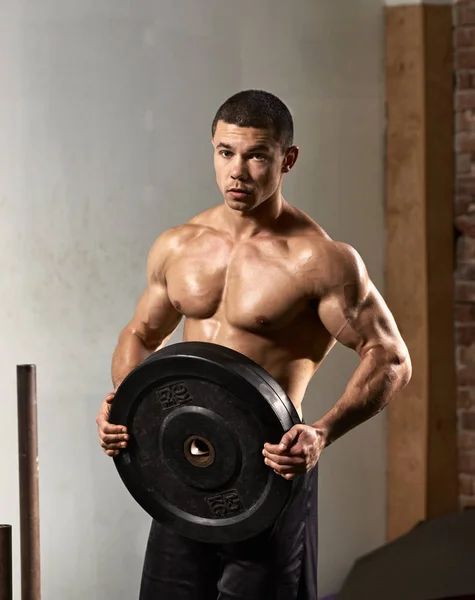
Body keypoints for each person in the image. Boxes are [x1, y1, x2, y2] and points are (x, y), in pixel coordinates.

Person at [96, 90, 411, 600]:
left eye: (256, 155)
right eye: (225, 153)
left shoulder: (320, 260)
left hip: (268, 469)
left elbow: (391, 358)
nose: (237, 172)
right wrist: (129, 407)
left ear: (287, 159)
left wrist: (323, 432)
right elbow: (139, 334)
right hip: (183, 461)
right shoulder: (179, 245)